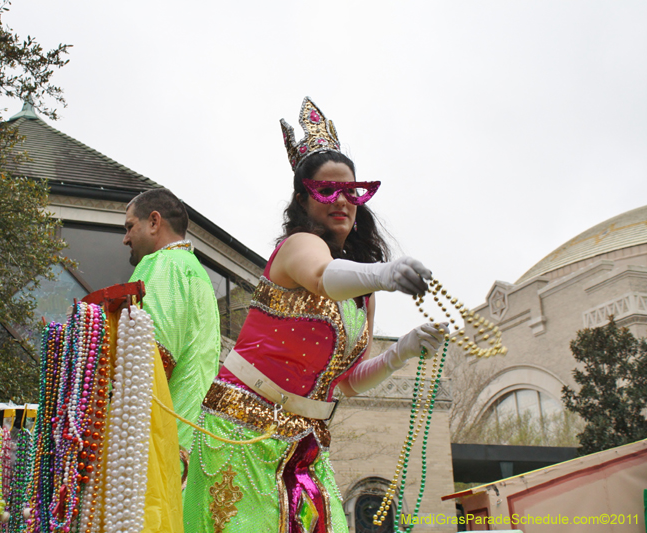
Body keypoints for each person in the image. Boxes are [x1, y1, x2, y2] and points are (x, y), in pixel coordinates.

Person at [183, 97, 447, 533]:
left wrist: (401, 351)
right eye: (326, 191)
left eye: (352, 191)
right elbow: (324, 276)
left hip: (306, 445)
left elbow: (346, 381)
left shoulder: (361, 294)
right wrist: (384, 273)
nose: (341, 201)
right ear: (303, 201)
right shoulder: (299, 247)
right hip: (242, 431)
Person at [123, 188, 221, 453]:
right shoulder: (197, 273)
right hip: (193, 440)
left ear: (154, 222)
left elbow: (149, 358)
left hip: (158, 447)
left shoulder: (163, 263)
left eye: (130, 227)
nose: (125, 239)